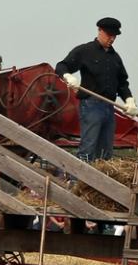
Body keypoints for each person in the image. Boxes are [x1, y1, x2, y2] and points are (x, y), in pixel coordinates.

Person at [54, 18, 133, 164]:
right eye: (109, 35)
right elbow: (61, 66)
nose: (112, 39)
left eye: (114, 36)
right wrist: (67, 76)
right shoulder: (85, 51)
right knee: (88, 147)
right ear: (100, 31)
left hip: (109, 107)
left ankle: (100, 184)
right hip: (91, 105)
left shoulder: (115, 58)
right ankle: (78, 182)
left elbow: (122, 82)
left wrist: (129, 99)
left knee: (106, 151)